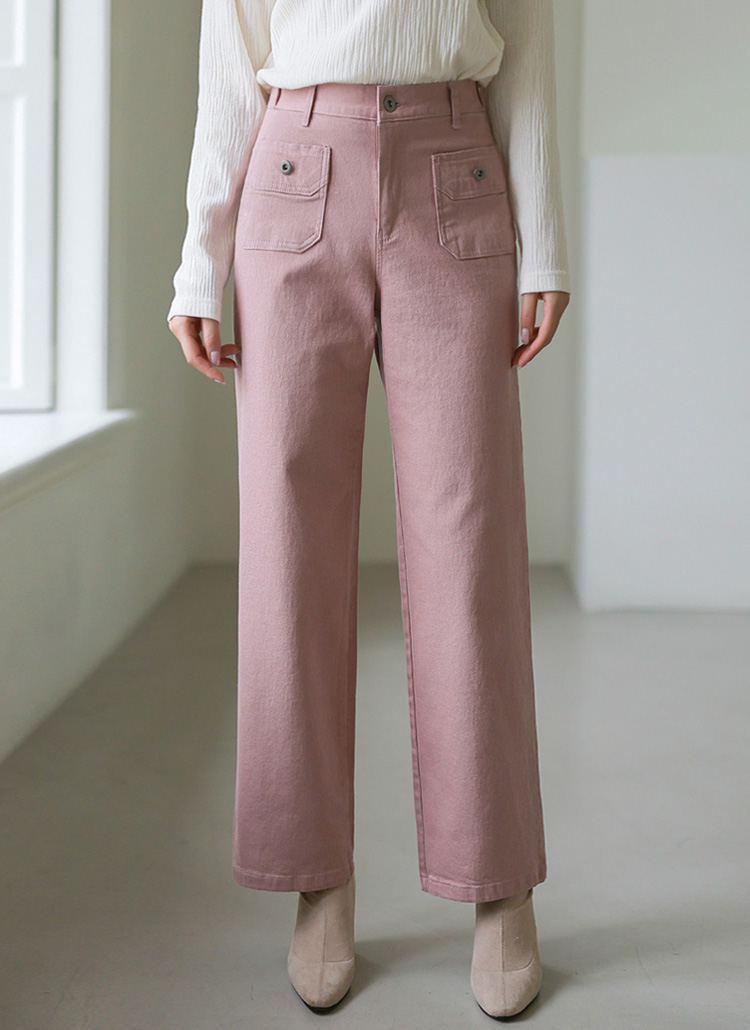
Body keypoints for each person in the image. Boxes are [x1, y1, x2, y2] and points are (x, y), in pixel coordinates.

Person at [167, 0, 571, 1019]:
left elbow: (526, 47)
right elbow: (231, 64)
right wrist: (199, 259)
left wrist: (545, 244)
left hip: (453, 164)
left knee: (470, 544)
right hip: (293, 166)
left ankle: (497, 880)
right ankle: (316, 876)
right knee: (289, 552)